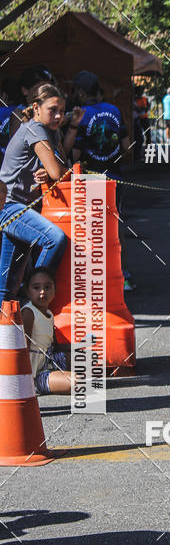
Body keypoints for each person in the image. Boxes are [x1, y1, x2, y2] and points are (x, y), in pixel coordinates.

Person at [0, 83, 83, 300]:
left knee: (7, 287)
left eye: (62, 111)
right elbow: (59, 171)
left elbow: (56, 167)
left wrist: (47, 171)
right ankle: (34, 298)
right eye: (52, 110)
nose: (58, 116)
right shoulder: (34, 128)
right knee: (54, 239)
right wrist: (58, 172)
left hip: (22, 207)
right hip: (10, 207)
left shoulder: (49, 132)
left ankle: (11, 325)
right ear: (36, 107)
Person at [69, 70, 135, 291]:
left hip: (90, 180)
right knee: (116, 230)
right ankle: (123, 276)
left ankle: (94, 279)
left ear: (79, 91)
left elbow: (75, 155)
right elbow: (127, 147)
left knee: (91, 231)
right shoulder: (114, 110)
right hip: (115, 179)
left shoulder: (81, 115)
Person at [22, 268, 72, 395]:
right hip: (34, 375)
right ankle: (38, 386)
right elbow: (22, 349)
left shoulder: (49, 314)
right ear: (28, 291)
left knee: (89, 360)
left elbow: (54, 346)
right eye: (36, 287)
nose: (42, 292)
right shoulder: (28, 313)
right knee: (77, 383)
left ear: (55, 291)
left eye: (48, 287)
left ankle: (57, 378)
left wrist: (79, 346)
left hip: (49, 362)